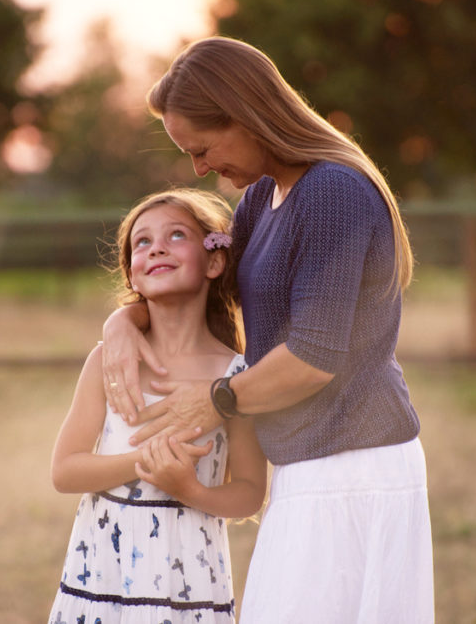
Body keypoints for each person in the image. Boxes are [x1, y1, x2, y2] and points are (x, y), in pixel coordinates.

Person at [101, 37, 435, 622]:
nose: (199, 168)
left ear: (245, 116)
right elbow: (197, 282)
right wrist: (123, 320)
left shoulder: (332, 193)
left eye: (201, 148)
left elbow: (312, 359)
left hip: (353, 469)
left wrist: (214, 402)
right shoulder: (262, 198)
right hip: (306, 469)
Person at [48, 188, 268, 624]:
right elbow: (64, 470)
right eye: (142, 242)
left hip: (190, 582)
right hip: (103, 579)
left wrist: (191, 490)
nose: (157, 248)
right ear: (131, 274)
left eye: (177, 235)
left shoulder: (239, 377)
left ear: (214, 261)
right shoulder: (108, 361)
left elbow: (249, 493)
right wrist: (145, 461)